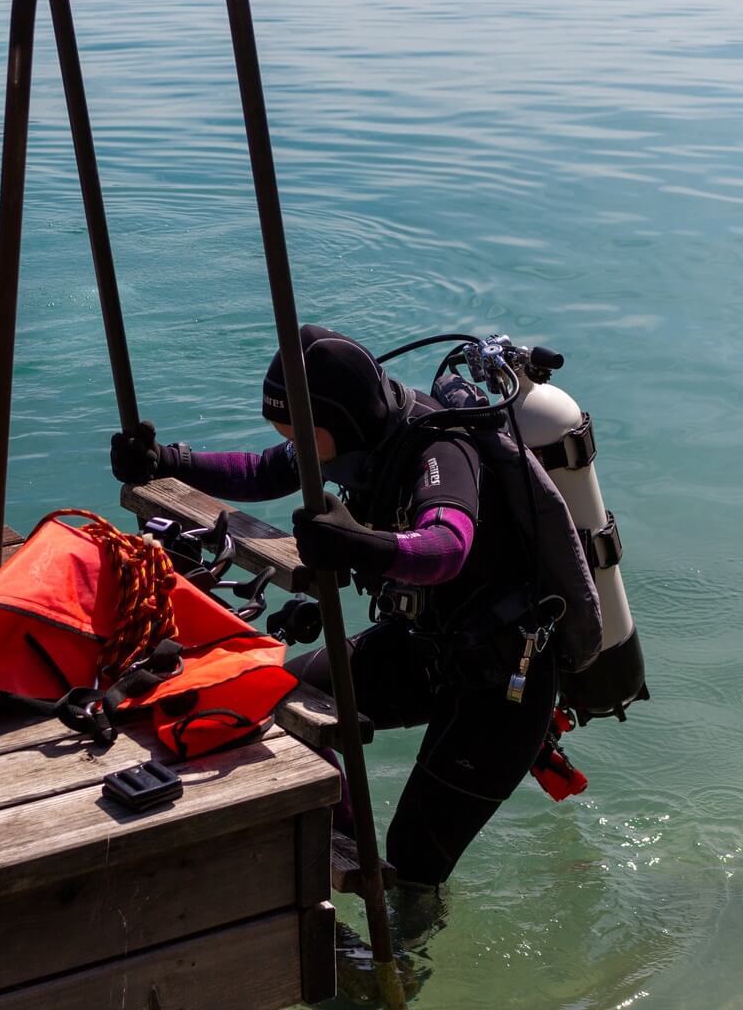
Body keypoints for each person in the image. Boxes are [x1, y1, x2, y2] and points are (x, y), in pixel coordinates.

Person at [111, 324, 596, 888]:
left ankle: (405, 936)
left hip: (503, 682)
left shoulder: (440, 449)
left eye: (303, 438)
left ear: (343, 422)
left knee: (414, 858)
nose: (298, 453)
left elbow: (446, 547)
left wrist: (357, 543)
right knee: (279, 702)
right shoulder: (350, 441)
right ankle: (340, 846)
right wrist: (166, 460)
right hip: (427, 649)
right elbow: (264, 470)